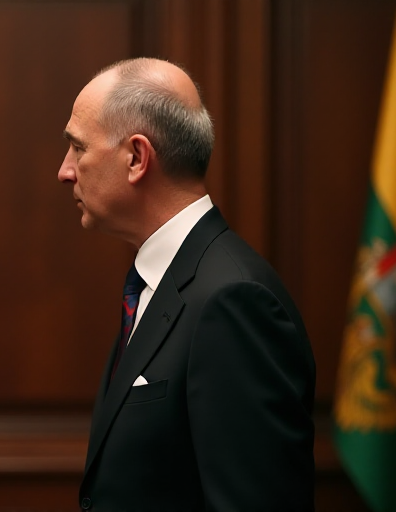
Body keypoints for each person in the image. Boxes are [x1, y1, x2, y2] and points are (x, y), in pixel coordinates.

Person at [59, 58, 316, 511]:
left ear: (136, 158)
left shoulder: (233, 301)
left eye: (78, 148)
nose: (66, 170)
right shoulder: (159, 282)